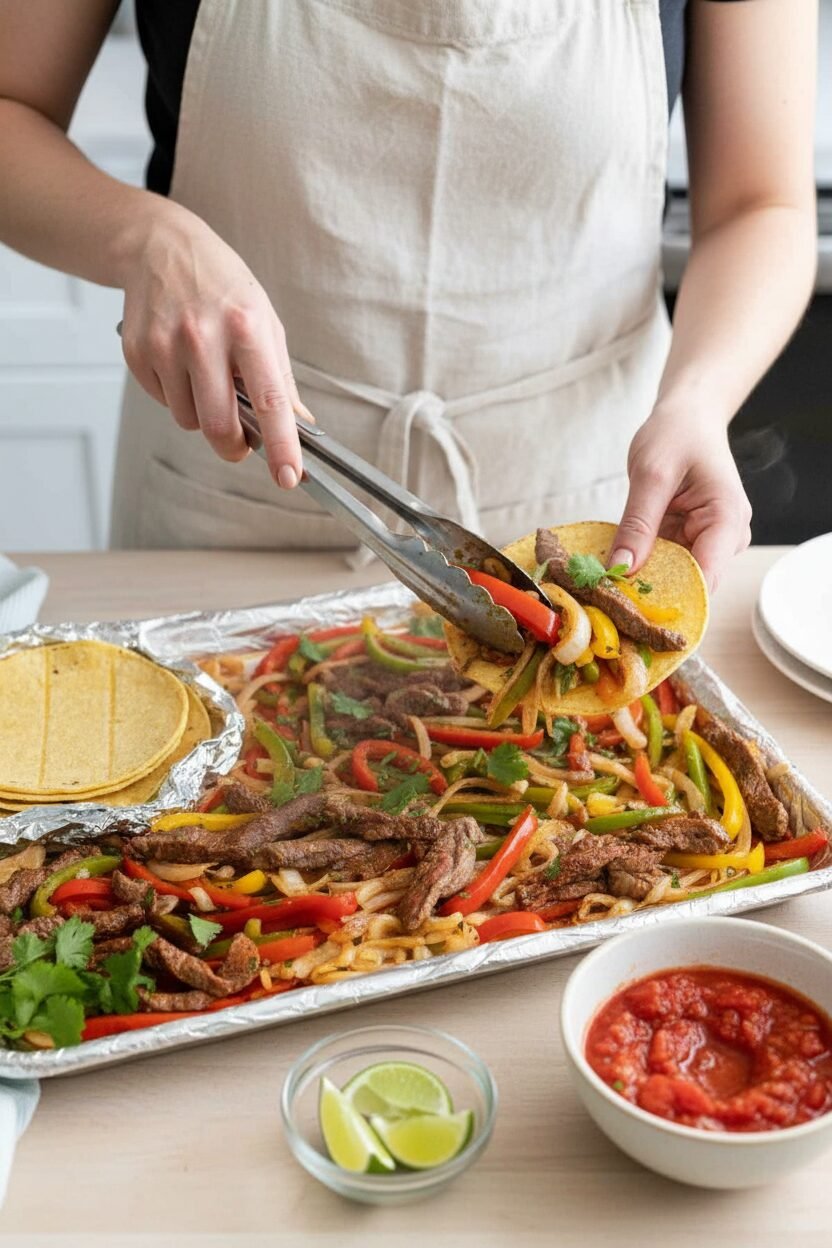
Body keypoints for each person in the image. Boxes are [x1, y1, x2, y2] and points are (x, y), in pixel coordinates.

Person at [0, 1, 817, 589]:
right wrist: (149, 241)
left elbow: (762, 205)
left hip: (583, 503)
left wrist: (699, 401)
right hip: (234, 486)